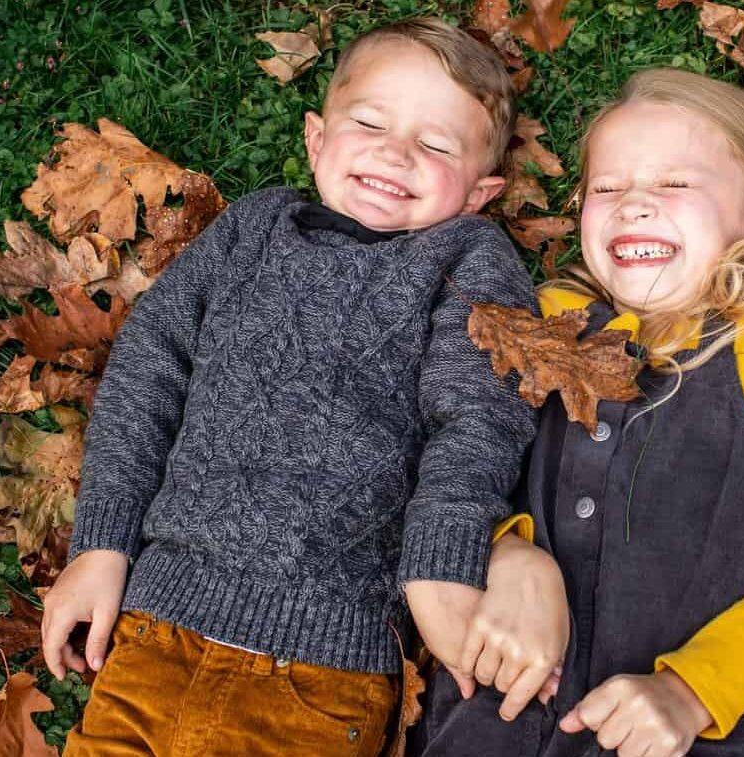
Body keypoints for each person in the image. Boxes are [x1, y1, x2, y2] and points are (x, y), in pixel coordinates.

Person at [411, 68, 744, 757]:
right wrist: (507, 549)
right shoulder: (545, 322)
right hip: (497, 716)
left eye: (675, 184)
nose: (633, 204)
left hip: (694, 735)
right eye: (606, 188)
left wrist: (692, 691)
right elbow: (458, 460)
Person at [41, 18, 543, 756]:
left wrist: (442, 557)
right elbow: (151, 362)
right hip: (153, 638)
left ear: (480, 191)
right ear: (316, 138)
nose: (394, 151)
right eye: (369, 122)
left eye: (436, 145)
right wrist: (102, 543)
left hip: (319, 671)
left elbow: (479, 415)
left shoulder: (466, 256)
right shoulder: (254, 226)